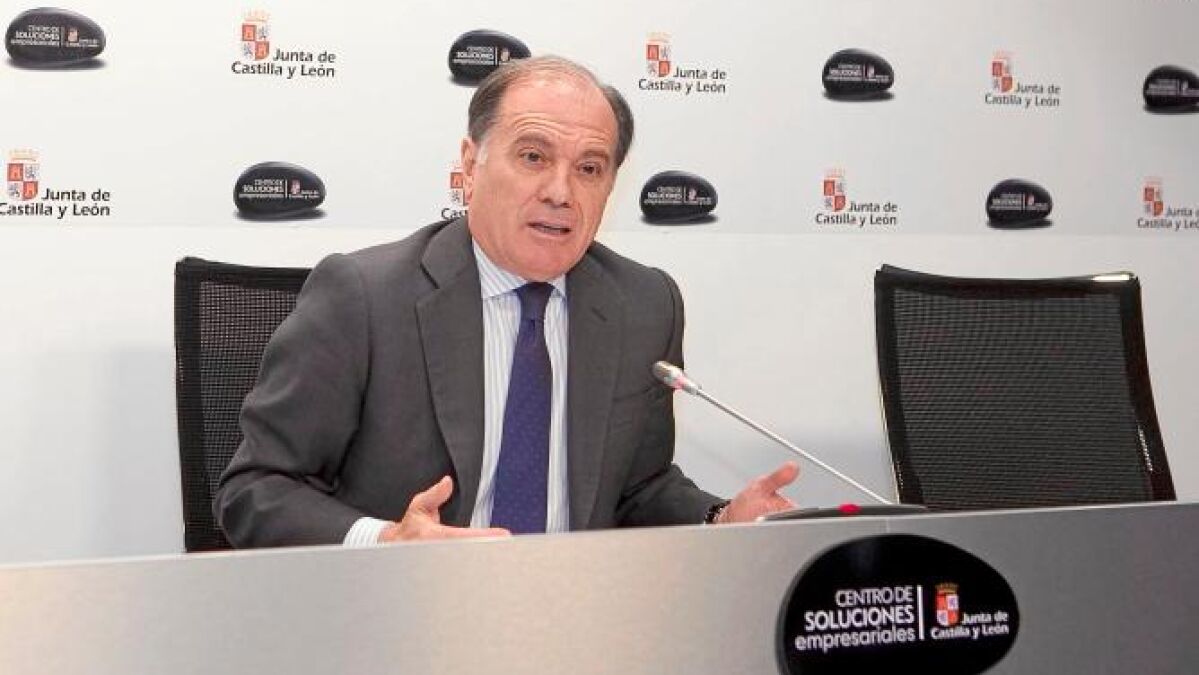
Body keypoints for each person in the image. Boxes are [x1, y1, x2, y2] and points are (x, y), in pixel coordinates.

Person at [215, 55, 798, 548]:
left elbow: (637, 488)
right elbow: (255, 488)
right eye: (533, 157)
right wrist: (388, 540)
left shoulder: (644, 304)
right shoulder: (364, 297)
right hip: (401, 611)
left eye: (589, 168)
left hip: (576, 614)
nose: (560, 192)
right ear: (471, 166)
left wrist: (721, 520)